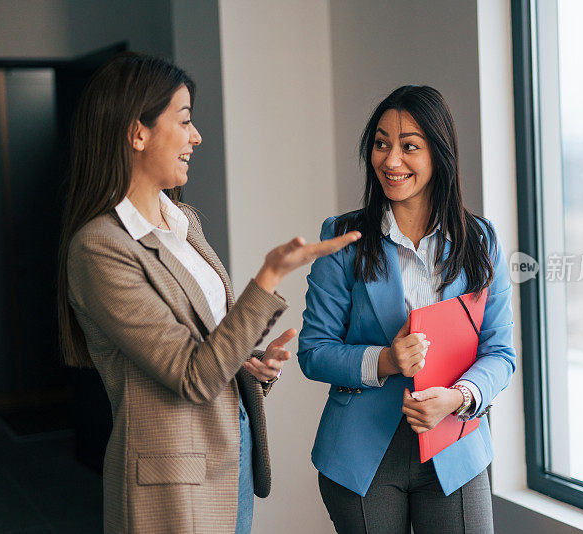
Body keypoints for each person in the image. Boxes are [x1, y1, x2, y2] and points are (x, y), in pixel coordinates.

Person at [56, 52, 360, 534]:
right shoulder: (99, 248)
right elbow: (192, 375)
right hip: (171, 482)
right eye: (185, 120)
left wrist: (247, 363)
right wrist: (270, 275)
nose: (196, 137)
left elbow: (207, 346)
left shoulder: (184, 220)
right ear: (138, 133)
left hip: (229, 452)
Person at [298, 85, 516, 533]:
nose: (391, 160)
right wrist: (384, 359)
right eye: (381, 144)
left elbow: (501, 353)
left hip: (454, 444)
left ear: (439, 155)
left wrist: (459, 398)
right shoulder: (342, 237)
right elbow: (313, 350)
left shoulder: (481, 240)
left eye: (409, 146)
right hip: (361, 455)